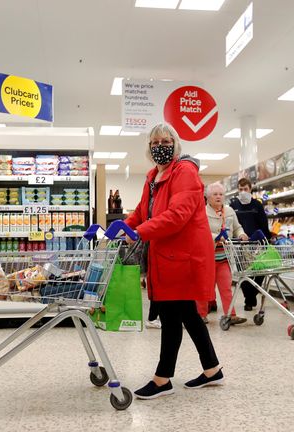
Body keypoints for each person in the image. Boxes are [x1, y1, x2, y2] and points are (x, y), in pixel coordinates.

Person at [124, 123, 223, 400]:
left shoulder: (186, 172)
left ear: (175, 144)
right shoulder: (152, 176)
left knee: (170, 315)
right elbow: (143, 212)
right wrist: (123, 225)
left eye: (165, 141)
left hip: (183, 255)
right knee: (188, 315)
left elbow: (178, 215)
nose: (160, 147)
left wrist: (139, 232)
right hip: (167, 255)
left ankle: (162, 378)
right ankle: (212, 369)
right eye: (154, 142)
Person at [199, 182, 248, 326]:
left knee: (226, 287)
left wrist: (242, 234)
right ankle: (201, 315)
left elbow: (237, 228)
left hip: (225, 256)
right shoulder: (202, 212)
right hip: (207, 257)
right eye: (215, 194)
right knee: (205, 288)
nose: (218, 197)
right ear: (208, 197)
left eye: (221, 194)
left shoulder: (230, 211)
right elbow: (200, 232)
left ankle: (230, 315)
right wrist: (215, 236)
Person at [229, 177, 271, 311]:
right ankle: (249, 299)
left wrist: (266, 242)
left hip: (257, 245)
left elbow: (264, 226)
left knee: (260, 272)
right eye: (240, 189)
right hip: (240, 246)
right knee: (243, 273)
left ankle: (252, 294)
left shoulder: (257, 205)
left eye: (245, 189)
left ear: (250, 189)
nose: (243, 192)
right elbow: (232, 226)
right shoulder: (233, 206)